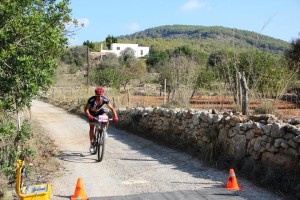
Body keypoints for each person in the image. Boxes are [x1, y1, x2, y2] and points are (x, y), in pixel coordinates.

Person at [84, 87, 118, 153]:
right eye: (97, 96)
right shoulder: (91, 100)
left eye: (100, 96)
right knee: (92, 128)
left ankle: (104, 131)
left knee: (106, 118)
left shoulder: (105, 100)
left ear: (102, 95)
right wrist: (89, 115)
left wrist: (115, 116)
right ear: (95, 94)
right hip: (92, 113)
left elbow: (112, 109)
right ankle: (92, 144)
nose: (99, 97)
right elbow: (86, 109)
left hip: (100, 111)